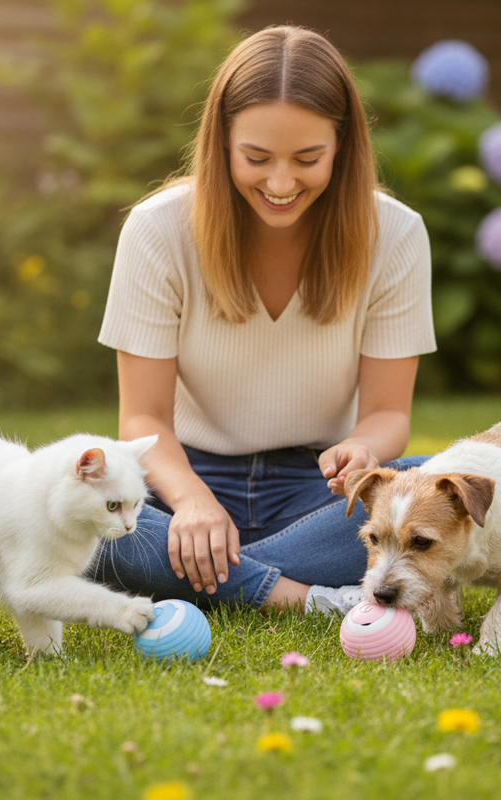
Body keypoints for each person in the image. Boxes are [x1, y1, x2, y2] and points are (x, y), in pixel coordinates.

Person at [89, 25, 436, 615]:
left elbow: (387, 414)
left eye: (307, 159)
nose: (280, 184)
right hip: (182, 479)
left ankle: (210, 570)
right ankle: (296, 596)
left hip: (319, 490)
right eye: (255, 158)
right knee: (84, 517)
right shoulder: (158, 230)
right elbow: (143, 418)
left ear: (343, 146)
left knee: (443, 478)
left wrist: (360, 446)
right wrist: (194, 504)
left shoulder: (396, 234)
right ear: (221, 143)